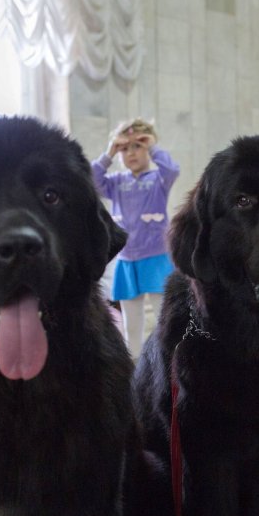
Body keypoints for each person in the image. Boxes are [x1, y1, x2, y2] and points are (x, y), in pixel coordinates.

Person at [91, 118, 180, 358]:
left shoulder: (158, 180)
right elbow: (90, 179)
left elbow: (172, 169)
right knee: (132, 326)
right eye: (125, 148)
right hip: (127, 261)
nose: (131, 153)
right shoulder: (116, 183)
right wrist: (110, 151)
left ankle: (166, 362)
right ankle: (135, 371)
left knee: (164, 319)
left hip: (156, 259)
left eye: (138, 146)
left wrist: (151, 146)